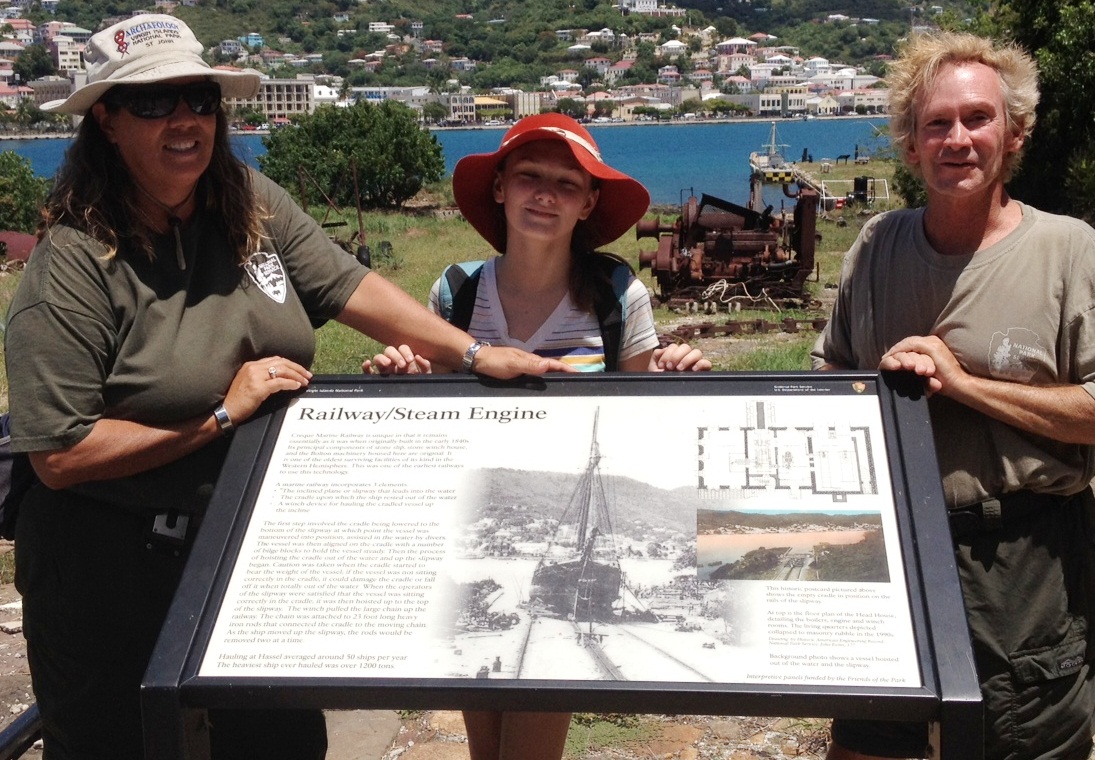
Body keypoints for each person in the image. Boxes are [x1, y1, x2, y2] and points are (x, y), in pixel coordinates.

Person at [3, 15, 571, 760]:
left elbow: (346, 285)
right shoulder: (74, 265)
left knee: (280, 744)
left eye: (199, 99)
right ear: (105, 121)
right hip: (108, 570)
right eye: (152, 101)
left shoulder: (243, 198)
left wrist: (474, 352)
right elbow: (61, 454)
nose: (184, 119)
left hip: (245, 546)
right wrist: (218, 414)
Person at [366, 113, 710, 760]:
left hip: (570, 524)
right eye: (528, 177)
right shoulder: (457, 290)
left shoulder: (615, 293)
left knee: (532, 727)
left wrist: (676, 372)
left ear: (588, 203)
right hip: (476, 514)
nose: (544, 195)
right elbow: (433, 397)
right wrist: (399, 375)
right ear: (499, 188)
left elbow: (642, 409)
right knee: (483, 711)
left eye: (565, 183)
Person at [812, 32, 1095, 760]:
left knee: (1019, 740)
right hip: (888, 549)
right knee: (870, 741)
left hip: (1021, 557)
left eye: (977, 119)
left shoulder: (1068, 251)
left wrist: (962, 383)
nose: (956, 139)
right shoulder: (876, 245)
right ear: (909, 146)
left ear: (1014, 135)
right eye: (935, 124)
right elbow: (825, 382)